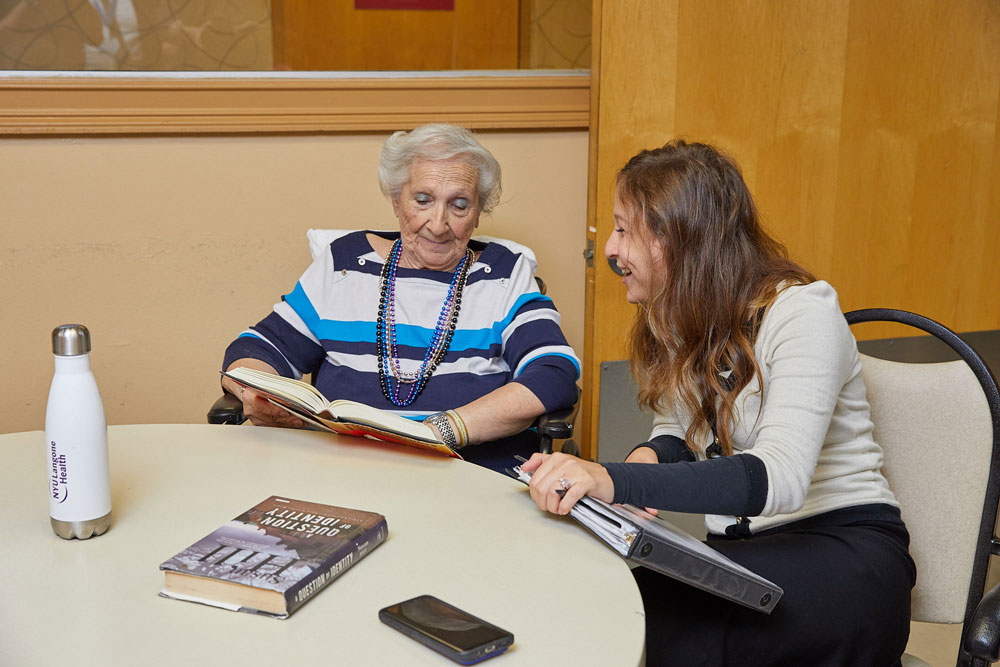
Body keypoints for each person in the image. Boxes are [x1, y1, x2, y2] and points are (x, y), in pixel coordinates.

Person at [521, 140, 915, 666]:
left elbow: (780, 477)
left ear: (676, 238)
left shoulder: (805, 313)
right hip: (743, 560)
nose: (611, 249)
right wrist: (643, 461)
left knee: (664, 638)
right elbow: (679, 431)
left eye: (623, 228)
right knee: (611, 609)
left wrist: (613, 478)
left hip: (846, 558)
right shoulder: (691, 321)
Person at [221, 123, 580, 471]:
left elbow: (553, 373)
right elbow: (256, 350)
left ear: (478, 213)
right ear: (396, 201)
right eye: (422, 200)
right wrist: (252, 393)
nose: (438, 224)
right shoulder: (343, 266)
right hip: (341, 472)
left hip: (470, 473)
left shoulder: (504, 274)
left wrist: (439, 432)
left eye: (459, 205)